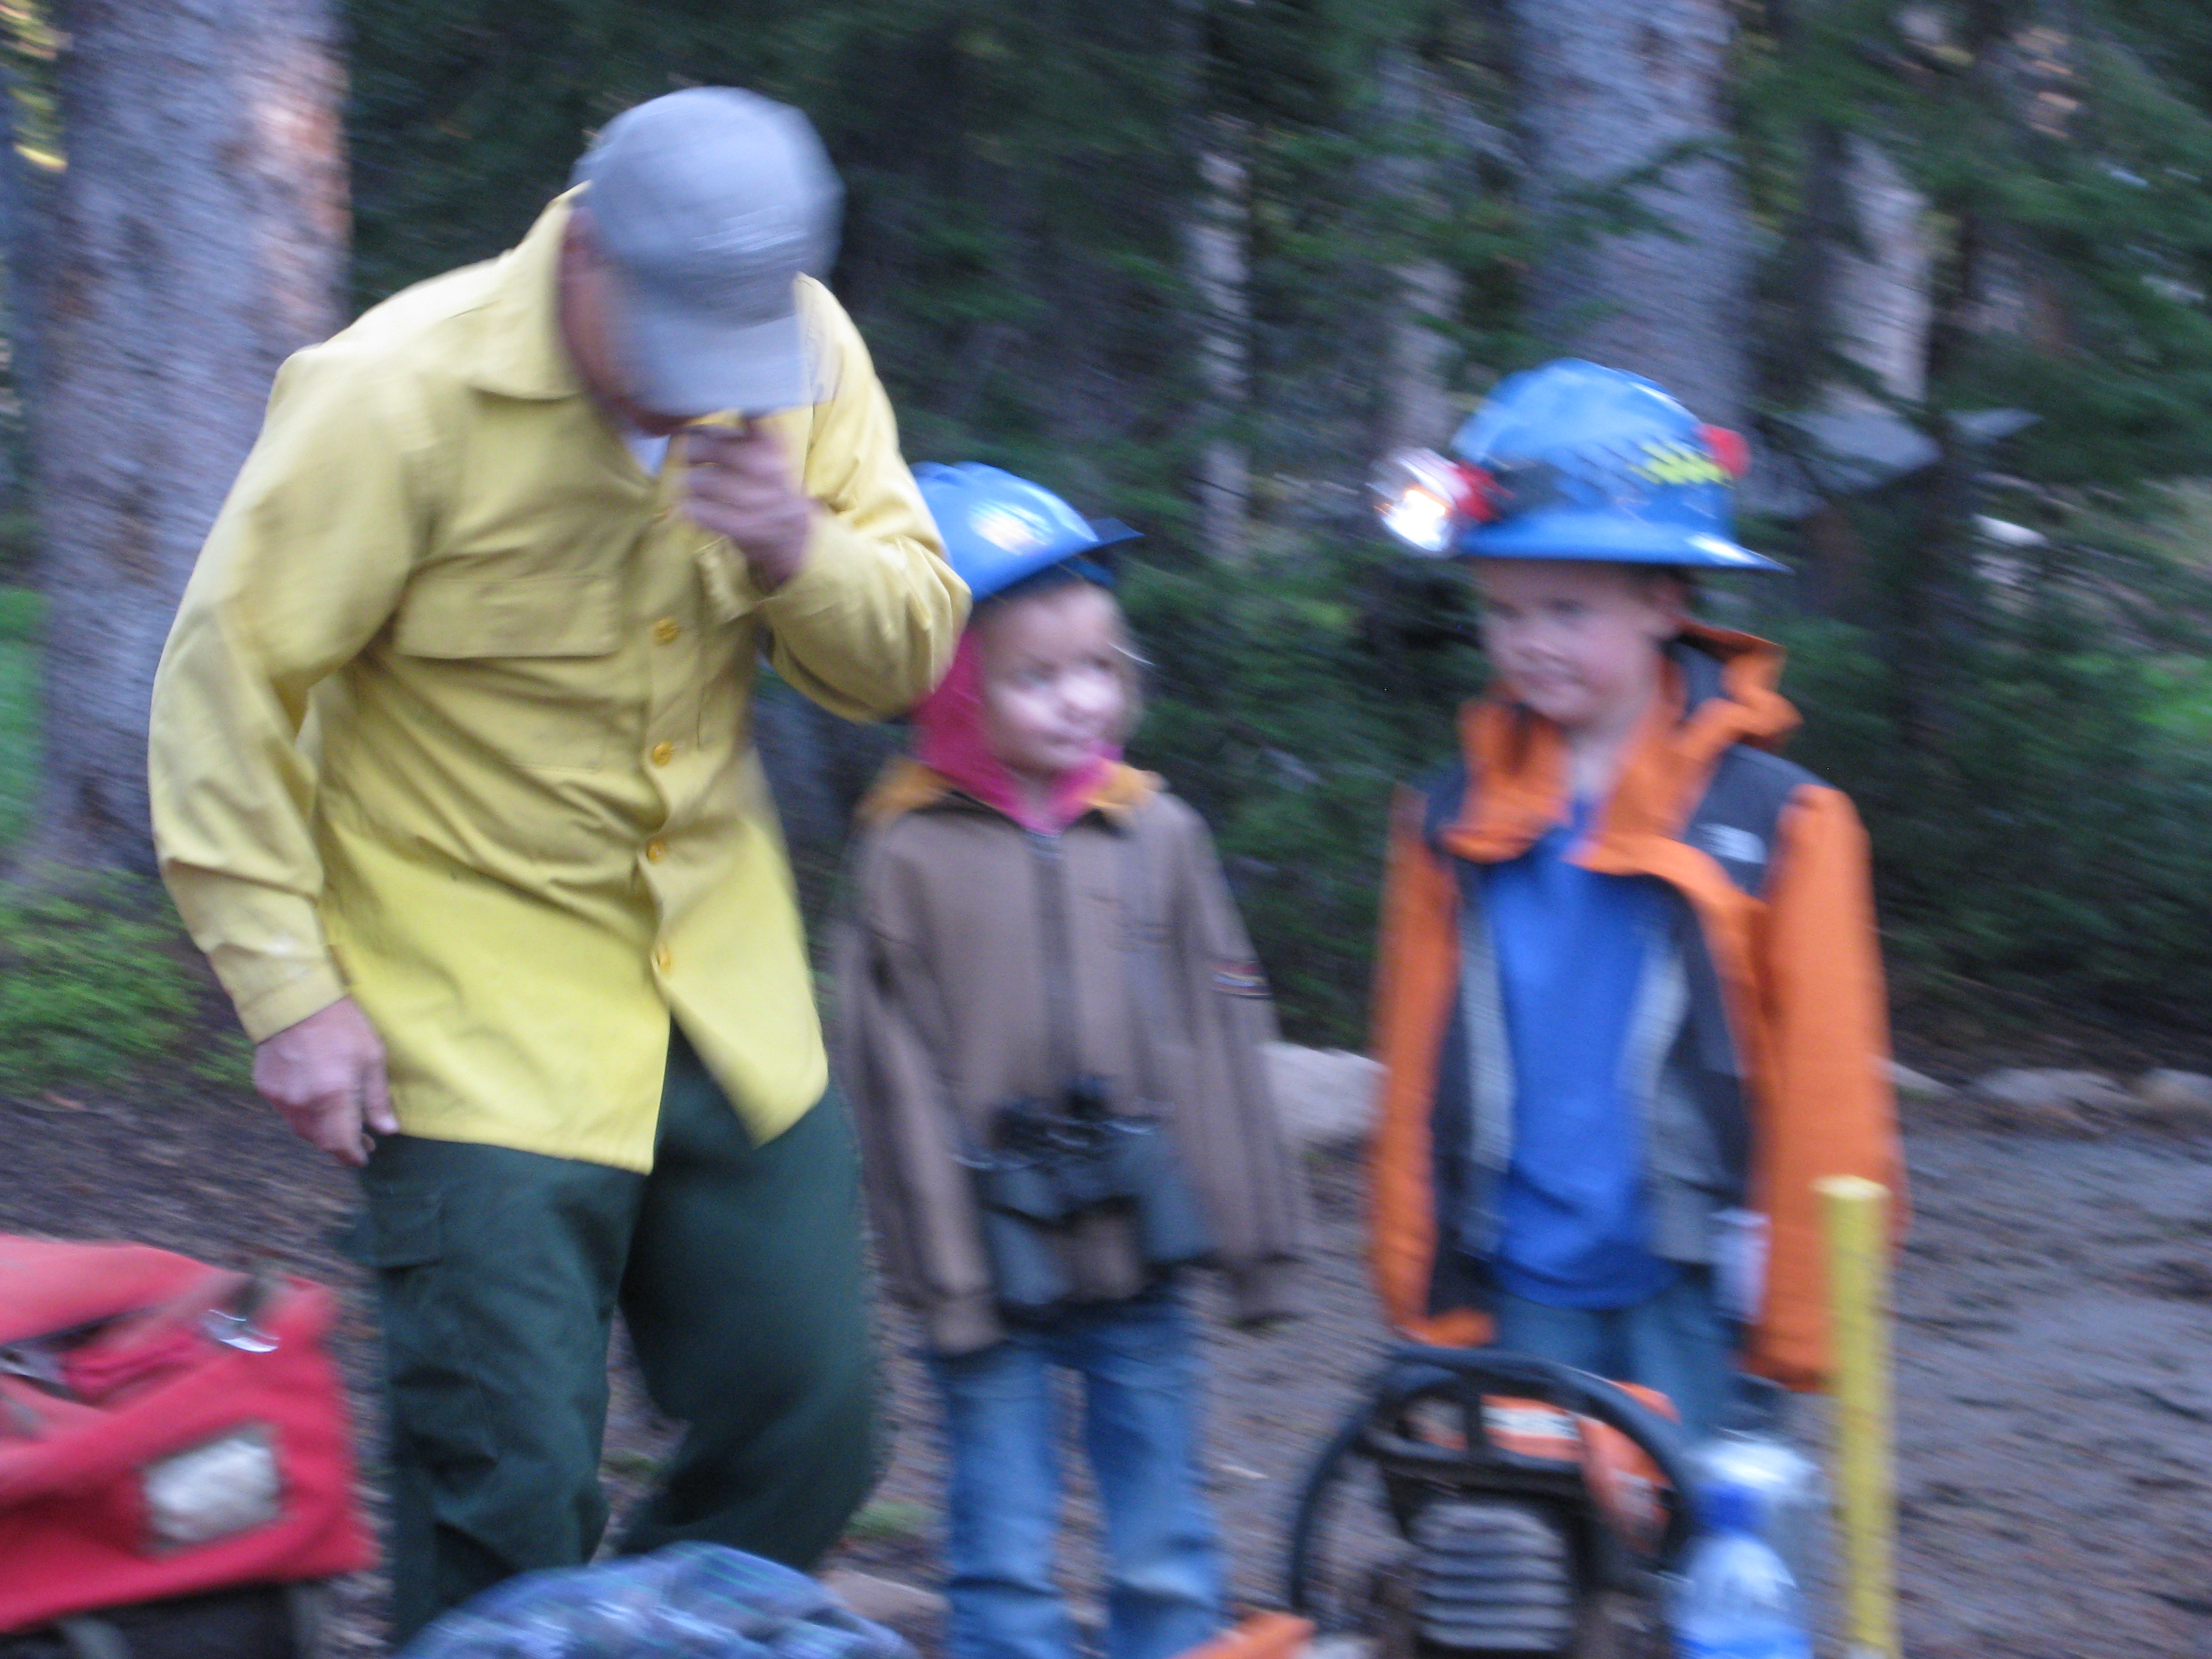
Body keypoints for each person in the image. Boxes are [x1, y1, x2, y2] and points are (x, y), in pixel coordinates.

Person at [147, 88, 967, 1641]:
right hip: (466, 1006)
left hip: (722, 990)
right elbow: (226, 692)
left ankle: (624, 1633)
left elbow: (906, 655)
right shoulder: (394, 391)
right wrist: (287, 992)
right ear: (583, 249)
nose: (700, 386)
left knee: (812, 1423)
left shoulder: (805, 355)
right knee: (505, 1486)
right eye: (672, 333)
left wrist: (800, 548)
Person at [1366, 359, 1902, 1439]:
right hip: (1521, 1279)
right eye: (1504, 610)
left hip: (1694, 1289)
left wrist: (1804, 1326)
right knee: (1524, 1562)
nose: (1530, 642)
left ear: (1666, 599)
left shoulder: (1783, 824)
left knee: (1707, 1565)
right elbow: (1417, 1064)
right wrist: (1416, 1280)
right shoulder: (1450, 821)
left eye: (1567, 608)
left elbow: (1833, 1092)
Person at [831, 464, 1304, 1659]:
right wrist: (944, 1275)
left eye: (1100, 669)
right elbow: (890, 1078)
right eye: (1035, 677)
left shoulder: (1158, 832)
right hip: (988, 1258)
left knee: (1161, 1522)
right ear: (947, 690)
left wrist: (1251, 1242)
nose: (1079, 702)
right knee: (1000, 1526)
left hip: (1145, 1240)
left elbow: (1222, 1042)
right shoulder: (908, 857)